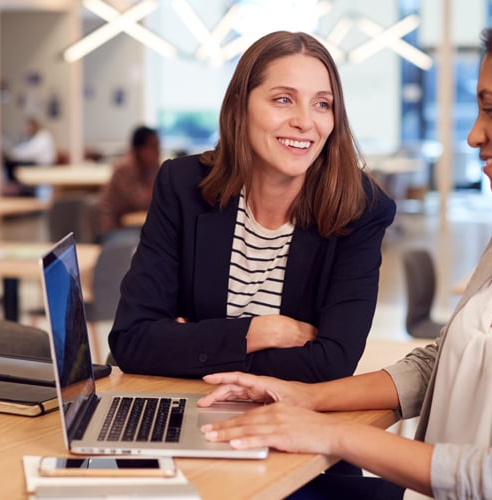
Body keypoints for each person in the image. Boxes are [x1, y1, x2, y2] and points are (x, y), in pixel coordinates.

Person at [198, 11, 492, 499]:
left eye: (490, 109)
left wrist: (332, 433)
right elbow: (445, 363)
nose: (474, 135)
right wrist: (305, 398)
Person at [107, 31, 396, 382]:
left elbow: (331, 362)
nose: (305, 121)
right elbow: (132, 340)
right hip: (189, 408)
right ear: (239, 107)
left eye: (322, 104)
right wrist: (260, 333)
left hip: (291, 420)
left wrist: (192, 342)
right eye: (283, 100)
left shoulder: (361, 208)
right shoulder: (183, 186)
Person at [96, 125, 162, 237]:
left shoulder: (148, 168)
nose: (157, 152)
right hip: (114, 228)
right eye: (153, 147)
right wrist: (158, 171)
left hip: (134, 226)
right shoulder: (124, 169)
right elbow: (141, 202)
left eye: (158, 147)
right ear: (140, 149)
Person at [2, 116, 56, 196]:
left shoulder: (43, 137)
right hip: (34, 163)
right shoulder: (31, 137)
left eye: (28, 126)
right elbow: (23, 149)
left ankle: (15, 187)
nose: (26, 128)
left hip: (42, 166)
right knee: (9, 162)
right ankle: (14, 187)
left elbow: (31, 153)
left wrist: (14, 155)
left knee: (13, 165)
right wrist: (13, 154)